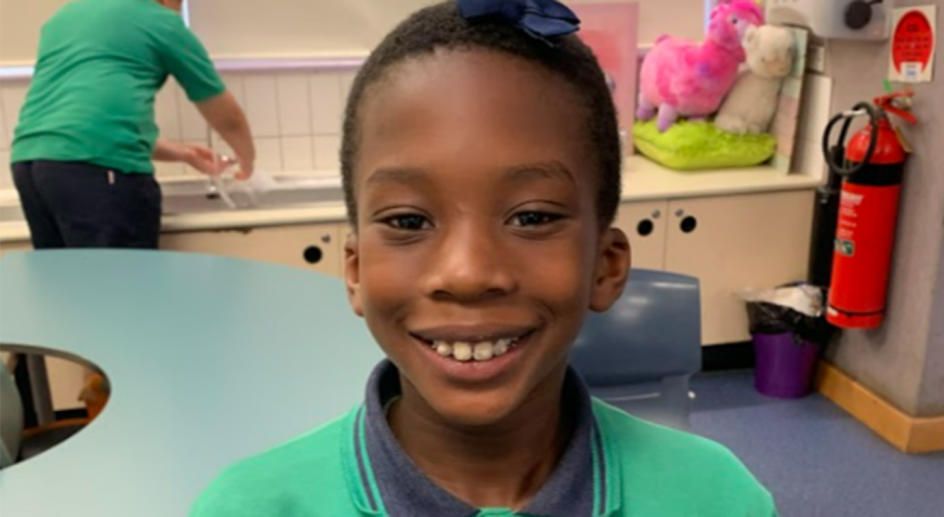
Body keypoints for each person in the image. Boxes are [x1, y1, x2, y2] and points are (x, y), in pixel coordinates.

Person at [191, 2, 778, 515]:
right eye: (408, 222)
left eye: (532, 217)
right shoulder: (250, 508)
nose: (468, 274)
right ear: (355, 271)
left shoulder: (719, 500)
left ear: (607, 264)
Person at [9, 0, 255, 249]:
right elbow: (226, 115)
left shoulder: (65, 17)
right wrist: (248, 160)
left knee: (67, 282)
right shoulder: (160, 22)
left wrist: (185, 154)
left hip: (29, 163)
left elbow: (88, 126)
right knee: (123, 283)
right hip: (94, 170)